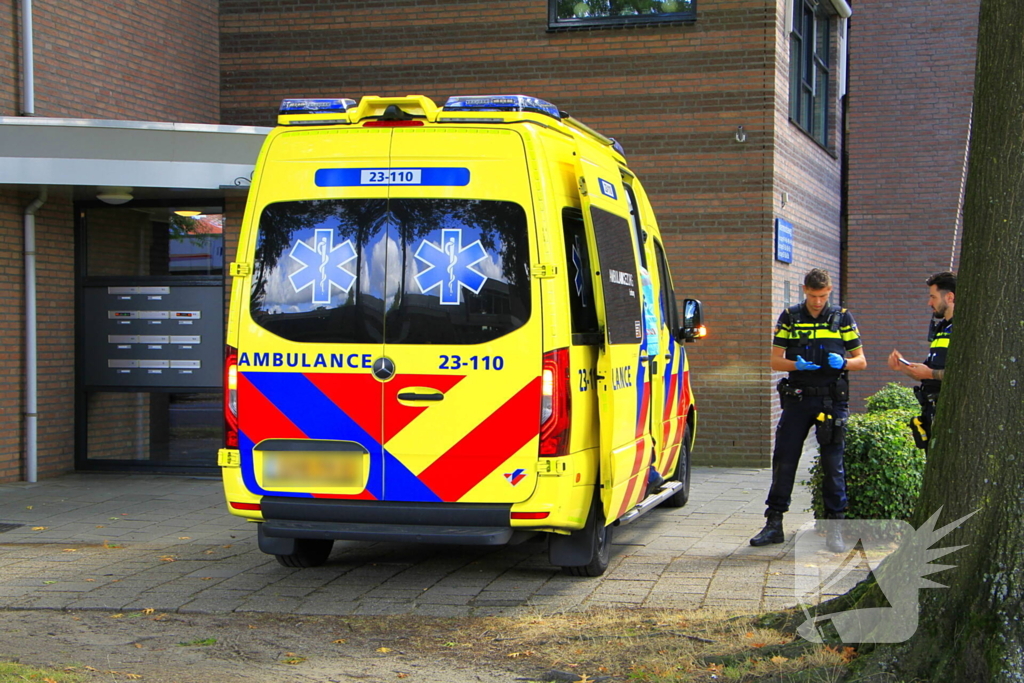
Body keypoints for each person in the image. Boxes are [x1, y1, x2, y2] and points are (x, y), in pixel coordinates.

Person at [751, 268, 867, 552]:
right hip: (799, 398)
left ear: (830, 291)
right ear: (805, 290)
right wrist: (796, 365)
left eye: (823, 295)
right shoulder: (790, 317)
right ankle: (774, 523)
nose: (818, 302)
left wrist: (843, 362)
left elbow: (861, 361)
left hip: (831, 400)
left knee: (832, 464)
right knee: (785, 459)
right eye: (814, 295)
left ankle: (834, 529)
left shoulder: (842, 318)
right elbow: (775, 362)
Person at [887, 271, 955, 450]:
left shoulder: (960, 330)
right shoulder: (941, 329)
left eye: (933, 297)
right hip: (931, 411)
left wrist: (929, 373)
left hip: (950, 413)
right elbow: (928, 373)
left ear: (949, 297)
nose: (929, 303)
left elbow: (962, 374)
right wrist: (903, 367)